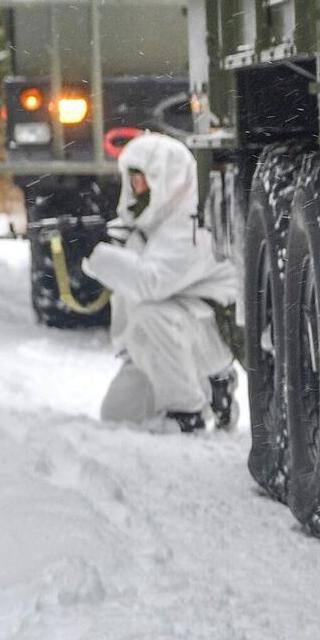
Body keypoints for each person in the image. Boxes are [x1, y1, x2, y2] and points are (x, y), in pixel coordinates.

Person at [82, 133, 239, 432]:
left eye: (140, 180)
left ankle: (189, 409)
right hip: (173, 333)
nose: (135, 189)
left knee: (151, 316)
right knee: (119, 415)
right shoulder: (156, 220)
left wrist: (98, 253)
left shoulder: (195, 224)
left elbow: (150, 282)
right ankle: (204, 389)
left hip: (213, 333)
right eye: (132, 180)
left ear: (165, 178)